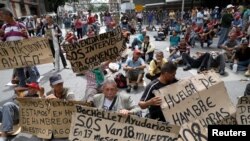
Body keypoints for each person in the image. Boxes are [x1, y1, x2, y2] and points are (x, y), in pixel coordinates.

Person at [0, 8, 38, 89]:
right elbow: (3, 41)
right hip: (14, 53)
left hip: (24, 52)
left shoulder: (20, 25)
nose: (1, 17)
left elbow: (27, 39)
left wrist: (25, 34)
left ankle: (34, 85)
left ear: (8, 15)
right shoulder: (3, 27)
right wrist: (1, 35)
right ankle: (22, 86)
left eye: (2, 15)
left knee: (31, 69)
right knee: (19, 71)